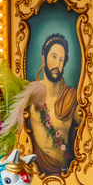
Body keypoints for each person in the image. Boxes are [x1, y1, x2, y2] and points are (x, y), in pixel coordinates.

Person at [26, 33, 81, 175]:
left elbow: (89, 131)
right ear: (44, 59)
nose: (57, 64)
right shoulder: (30, 94)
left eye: (61, 60)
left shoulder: (70, 98)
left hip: (67, 177)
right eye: (54, 57)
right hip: (34, 177)